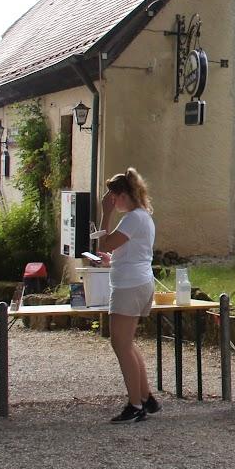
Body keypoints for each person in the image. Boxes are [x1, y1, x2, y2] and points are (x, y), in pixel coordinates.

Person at [93, 168, 160, 423]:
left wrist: (105, 214)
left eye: (112, 197)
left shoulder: (133, 218)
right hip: (139, 282)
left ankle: (135, 405)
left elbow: (104, 243)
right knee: (127, 343)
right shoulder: (143, 216)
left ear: (120, 196)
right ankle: (145, 397)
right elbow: (131, 251)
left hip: (129, 286)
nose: (110, 201)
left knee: (120, 345)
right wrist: (114, 260)